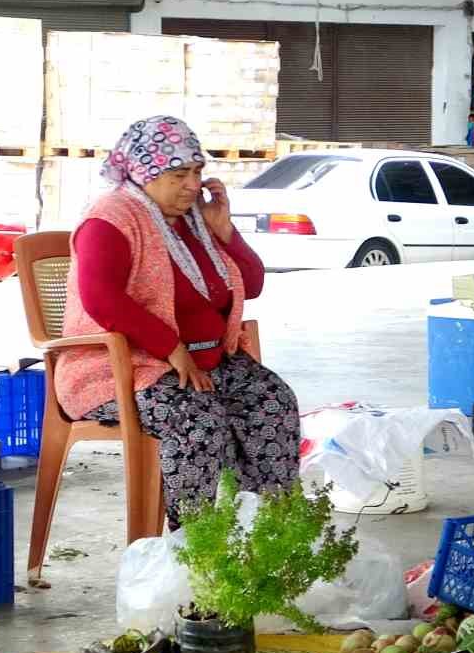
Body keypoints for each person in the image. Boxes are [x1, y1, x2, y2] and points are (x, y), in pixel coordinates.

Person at [55, 115, 299, 568]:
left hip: (206, 362)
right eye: (179, 174)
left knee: (273, 402)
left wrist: (225, 231)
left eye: (197, 172)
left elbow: (253, 282)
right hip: (119, 369)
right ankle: (199, 552)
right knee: (198, 419)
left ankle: (270, 539)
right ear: (146, 173)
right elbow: (101, 298)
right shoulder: (110, 218)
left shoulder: (193, 221)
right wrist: (171, 348)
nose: (193, 185)